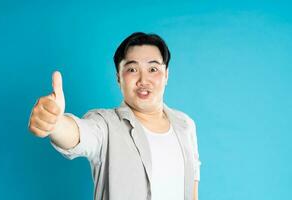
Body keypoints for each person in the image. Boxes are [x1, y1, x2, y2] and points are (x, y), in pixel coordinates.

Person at [28, 32, 201, 200]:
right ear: (119, 77)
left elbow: (191, 190)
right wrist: (56, 124)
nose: (143, 80)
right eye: (132, 69)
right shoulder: (106, 124)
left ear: (166, 75)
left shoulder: (185, 125)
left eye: (153, 69)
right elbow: (80, 133)